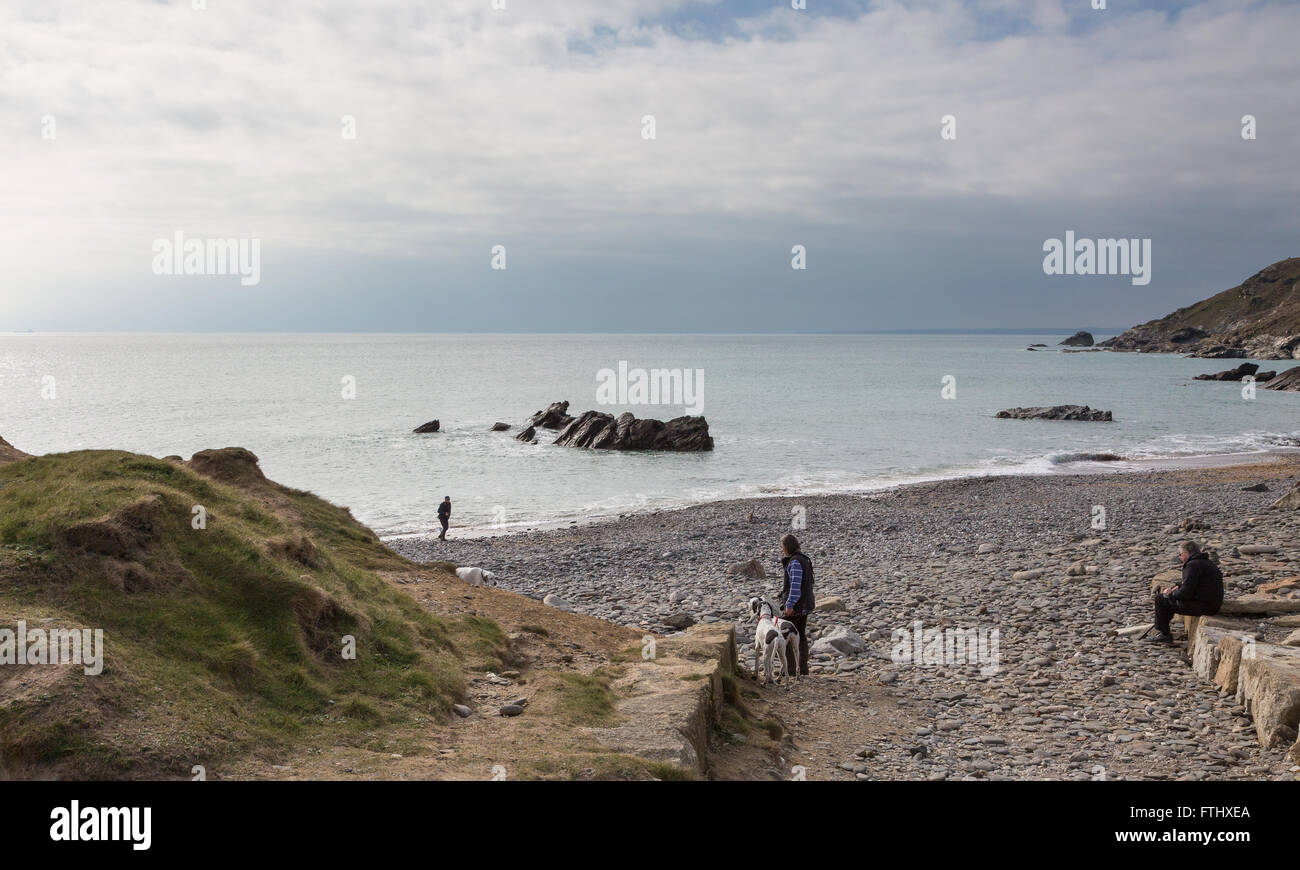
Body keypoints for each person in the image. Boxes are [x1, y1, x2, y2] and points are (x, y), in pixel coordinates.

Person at [1151, 540, 1223, 643]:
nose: (1180, 557)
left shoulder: (1193, 565)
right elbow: (1194, 583)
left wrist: (1169, 594)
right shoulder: (1204, 562)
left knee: (1161, 599)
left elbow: (1185, 594)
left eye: (1180, 554)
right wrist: (1178, 586)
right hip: (1211, 604)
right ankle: (1163, 628)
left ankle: (1164, 634)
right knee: (1167, 600)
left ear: (1187, 553)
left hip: (1204, 607)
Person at [779, 533, 814, 677]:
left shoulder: (794, 562)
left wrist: (789, 605)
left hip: (797, 607)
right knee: (801, 635)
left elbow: (795, 586)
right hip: (805, 605)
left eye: (782, 547)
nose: (782, 550)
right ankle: (803, 669)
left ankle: (791, 670)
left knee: (786, 637)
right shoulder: (805, 560)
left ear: (786, 547)